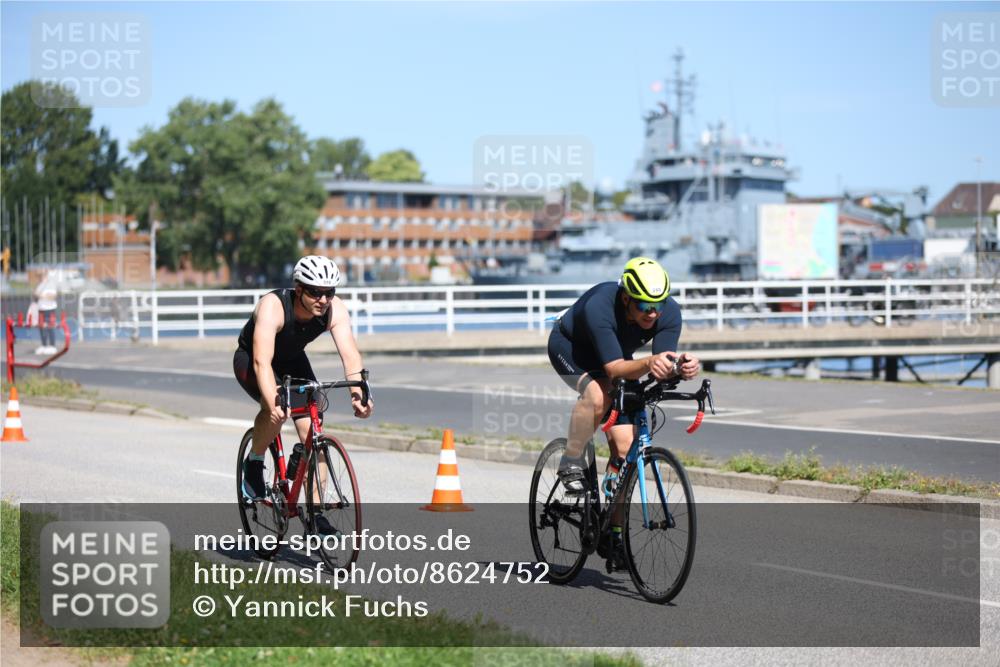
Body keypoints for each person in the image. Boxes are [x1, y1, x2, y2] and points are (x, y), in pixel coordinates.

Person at [547, 257, 700, 565]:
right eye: (645, 307)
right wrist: (646, 364)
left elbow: (661, 364)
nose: (653, 313)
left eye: (658, 305)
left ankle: (613, 534)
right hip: (571, 348)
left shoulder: (667, 312)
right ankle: (571, 460)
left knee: (626, 450)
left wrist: (681, 368)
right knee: (598, 392)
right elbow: (615, 368)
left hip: (615, 356)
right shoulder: (601, 304)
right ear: (627, 298)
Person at [234, 255, 373, 503]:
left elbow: (350, 355)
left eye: (329, 292)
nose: (323, 300)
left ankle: (317, 515)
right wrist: (273, 401)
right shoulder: (272, 306)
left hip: (292, 360)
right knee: (274, 408)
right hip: (253, 359)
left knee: (314, 434)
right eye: (315, 293)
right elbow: (261, 362)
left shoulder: (334, 309)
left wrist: (358, 395)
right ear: (299, 290)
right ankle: (254, 461)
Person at [34, 277, 59, 354]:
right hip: (41, 308)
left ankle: (52, 346)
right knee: (42, 327)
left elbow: (53, 296)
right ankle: (44, 345)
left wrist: (43, 296)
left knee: (50, 326)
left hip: (50, 308)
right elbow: (35, 294)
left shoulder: (51, 284)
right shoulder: (40, 285)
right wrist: (41, 295)